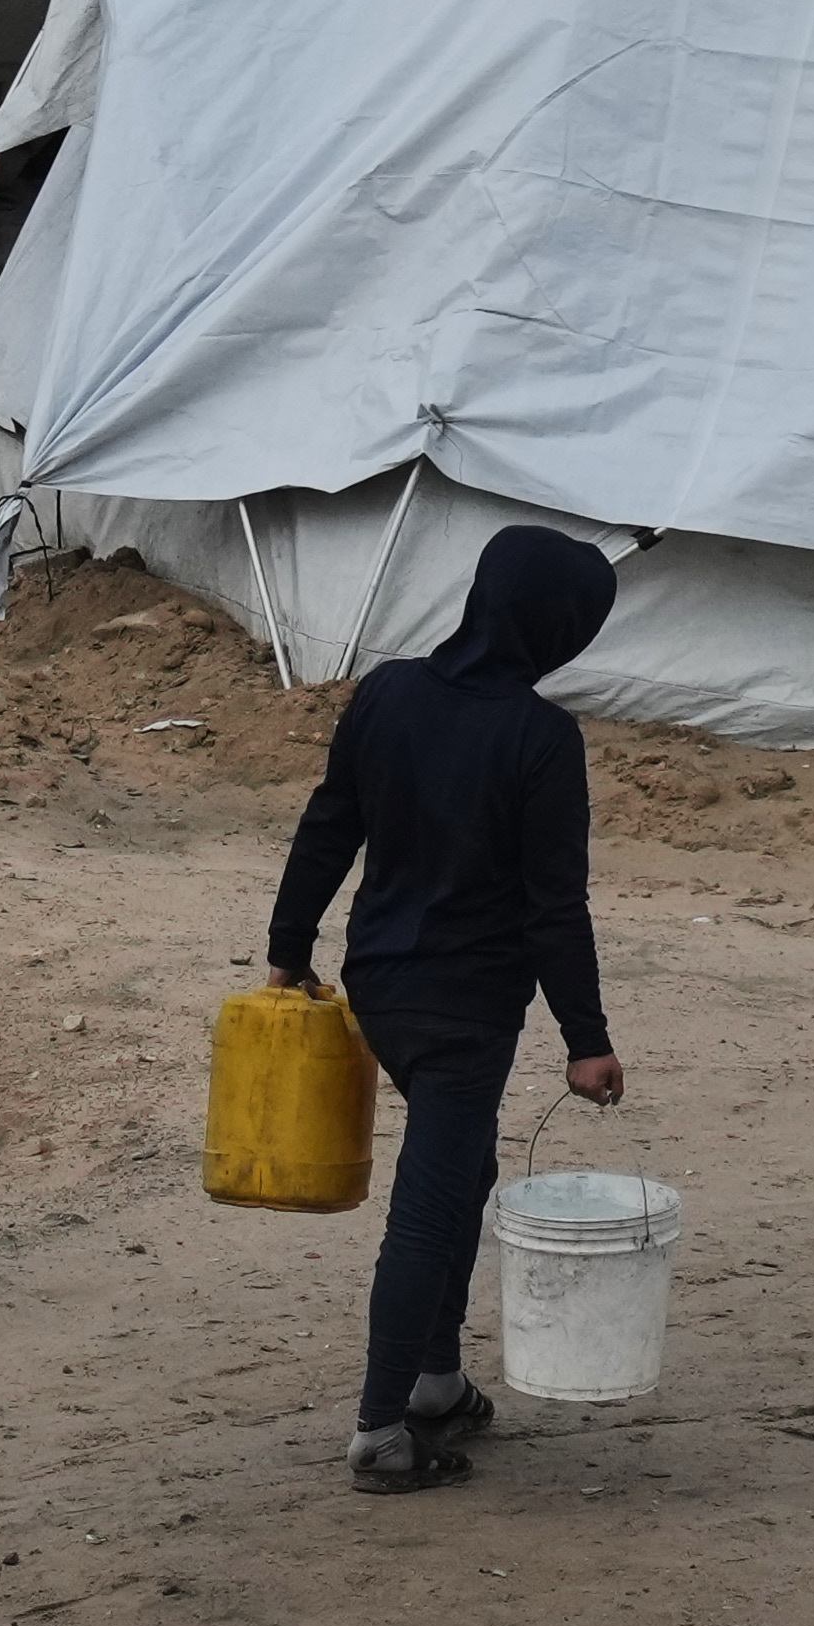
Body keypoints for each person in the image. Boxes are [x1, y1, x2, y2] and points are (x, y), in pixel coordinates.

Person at [265, 525, 627, 1494]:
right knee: (427, 1210)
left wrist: (287, 947)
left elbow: (328, 821)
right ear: (552, 629)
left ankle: (432, 1382)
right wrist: (585, 1041)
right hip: (466, 1013)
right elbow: (555, 903)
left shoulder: (387, 692)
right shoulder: (541, 739)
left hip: (382, 988)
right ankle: (380, 1432)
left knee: (463, 1171)